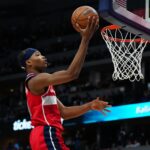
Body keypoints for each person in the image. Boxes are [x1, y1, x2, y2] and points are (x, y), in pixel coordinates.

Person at [18, 16, 110, 150]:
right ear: (28, 62)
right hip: (45, 133)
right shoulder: (35, 80)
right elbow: (71, 74)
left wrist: (90, 105)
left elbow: (64, 112)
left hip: (47, 134)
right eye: (37, 55)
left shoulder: (42, 84)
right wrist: (85, 40)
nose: (43, 56)